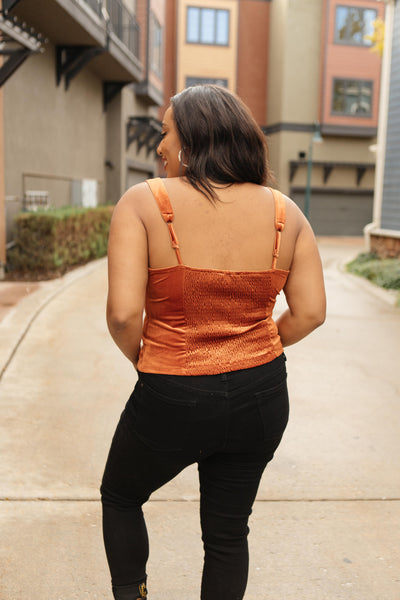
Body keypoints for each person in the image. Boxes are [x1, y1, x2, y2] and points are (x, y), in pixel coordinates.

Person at [101, 84, 326, 600]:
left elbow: (120, 314)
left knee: (121, 494)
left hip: (172, 388)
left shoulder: (144, 201)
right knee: (227, 533)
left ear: (192, 138)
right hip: (263, 396)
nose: (159, 146)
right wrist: (257, 347)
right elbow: (311, 312)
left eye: (164, 132)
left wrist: (147, 358)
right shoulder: (286, 213)